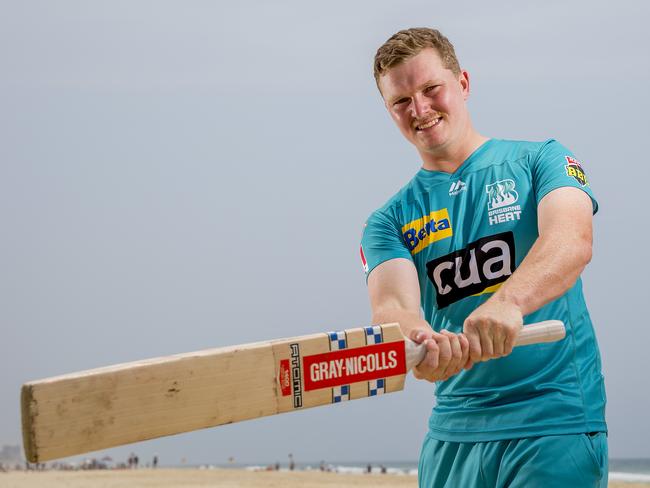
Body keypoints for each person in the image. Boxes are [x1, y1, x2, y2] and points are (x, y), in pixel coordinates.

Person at [360, 28, 607, 487]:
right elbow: (393, 308)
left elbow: (572, 240)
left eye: (430, 89)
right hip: (453, 434)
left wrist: (507, 304)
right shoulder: (387, 221)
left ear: (463, 84)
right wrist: (421, 342)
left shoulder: (543, 160)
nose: (419, 109)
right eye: (400, 101)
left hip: (552, 421)